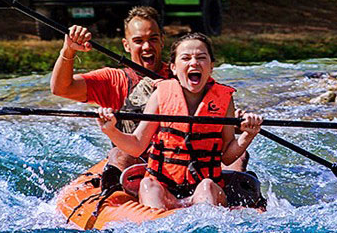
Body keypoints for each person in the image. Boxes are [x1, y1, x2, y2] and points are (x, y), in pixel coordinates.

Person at [49, 6, 248, 193]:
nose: (147, 46)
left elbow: (213, 112)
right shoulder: (113, 80)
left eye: (153, 39)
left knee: (240, 158)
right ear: (126, 45)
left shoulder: (186, 74)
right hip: (137, 161)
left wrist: (228, 123)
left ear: (162, 40)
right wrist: (68, 51)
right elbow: (61, 88)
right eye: (138, 41)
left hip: (186, 161)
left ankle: (238, 201)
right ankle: (115, 199)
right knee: (120, 153)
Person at [95, 33, 262, 210]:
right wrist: (110, 130)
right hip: (164, 187)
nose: (194, 63)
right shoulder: (161, 94)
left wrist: (247, 135)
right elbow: (137, 145)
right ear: (174, 68)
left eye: (201, 57)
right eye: (186, 58)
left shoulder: (224, 100)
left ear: (211, 67)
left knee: (206, 186)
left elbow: (227, 158)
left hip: (203, 188)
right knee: (148, 186)